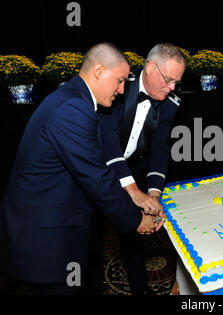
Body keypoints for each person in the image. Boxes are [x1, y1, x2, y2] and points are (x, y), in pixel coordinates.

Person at [0, 42, 158, 295]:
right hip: (45, 239)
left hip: (55, 225)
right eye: (119, 81)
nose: (121, 90)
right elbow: (96, 178)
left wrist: (131, 194)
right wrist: (136, 219)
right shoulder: (72, 109)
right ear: (98, 71)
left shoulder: (75, 100)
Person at [97, 43, 185, 295]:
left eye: (176, 83)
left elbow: (159, 148)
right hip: (99, 167)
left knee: (133, 234)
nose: (171, 88)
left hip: (135, 167)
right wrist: (133, 191)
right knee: (91, 237)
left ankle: (140, 290)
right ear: (149, 67)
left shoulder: (170, 102)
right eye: (168, 80)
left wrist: (154, 193)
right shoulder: (118, 87)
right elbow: (108, 145)